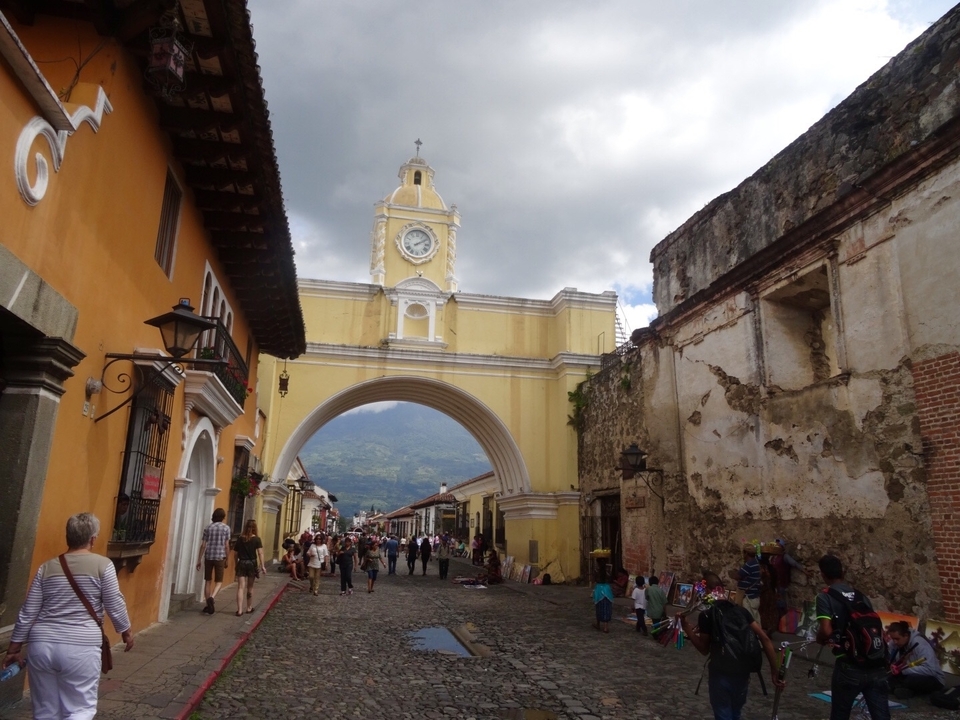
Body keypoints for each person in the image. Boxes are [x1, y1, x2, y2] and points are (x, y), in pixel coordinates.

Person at [3, 513, 134, 719]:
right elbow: (114, 601)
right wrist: (125, 631)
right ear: (92, 539)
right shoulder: (103, 565)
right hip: (80, 646)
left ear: (68, 537)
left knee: (45, 710)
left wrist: (14, 647)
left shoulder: (46, 568)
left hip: (42, 646)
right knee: (80, 709)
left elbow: (28, 611)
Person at [680, 571, 783, 720]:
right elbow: (765, 639)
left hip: (720, 674)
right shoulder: (741, 611)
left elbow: (703, 649)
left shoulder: (707, 615)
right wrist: (775, 670)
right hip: (742, 673)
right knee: (735, 713)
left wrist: (687, 629)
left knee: (723, 714)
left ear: (708, 590)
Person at [815, 554, 890, 720]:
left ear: (823, 575)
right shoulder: (860, 595)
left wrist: (820, 638)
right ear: (843, 572)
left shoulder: (825, 596)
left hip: (849, 663)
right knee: (881, 715)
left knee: (840, 714)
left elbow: (826, 631)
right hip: (875, 663)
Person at [887, 621, 944, 698]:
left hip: (932, 678)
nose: (894, 642)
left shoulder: (920, 644)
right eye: (892, 639)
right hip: (907, 673)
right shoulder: (894, 643)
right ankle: (902, 689)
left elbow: (930, 670)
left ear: (906, 636)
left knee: (911, 680)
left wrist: (903, 669)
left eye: (897, 639)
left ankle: (901, 688)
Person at [195, 508, 231, 614]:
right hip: (220, 557)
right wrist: (227, 558)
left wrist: (199, 559)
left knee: (208, 580)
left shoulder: (208, 527)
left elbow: (203, 545)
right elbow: (227, 545)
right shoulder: (226, 528)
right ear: (223, 516)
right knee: (219, 581)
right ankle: (212, 598)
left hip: (209, 556)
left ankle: (208, 604)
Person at [234, 519, 265, 614]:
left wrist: (236, 564)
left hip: (242, 563)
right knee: (250, 587)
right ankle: (249, 607)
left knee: (240, 587)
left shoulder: (240, 539)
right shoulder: (257, 539)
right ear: (255, 528)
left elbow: (235, 553)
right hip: (252, 564)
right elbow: (260, 553)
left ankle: (239, 610)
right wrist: (262, 566)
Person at [736, 545, 762, 625]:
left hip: (749, 597)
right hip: (754, 596)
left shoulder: (748, 565)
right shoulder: (756, 563)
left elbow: (738, 576)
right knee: (755, 618)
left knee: (750, 621)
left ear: (746, 553)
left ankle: (755, 636)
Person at [592, 560, 614, 633]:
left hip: (599, 589)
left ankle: (598, 623)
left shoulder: (596, 571)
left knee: (598, 606)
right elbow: (610, 579)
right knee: (606, 607)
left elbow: (594, 579)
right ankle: (605, 626)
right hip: (607, 589)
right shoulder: (608, 571)